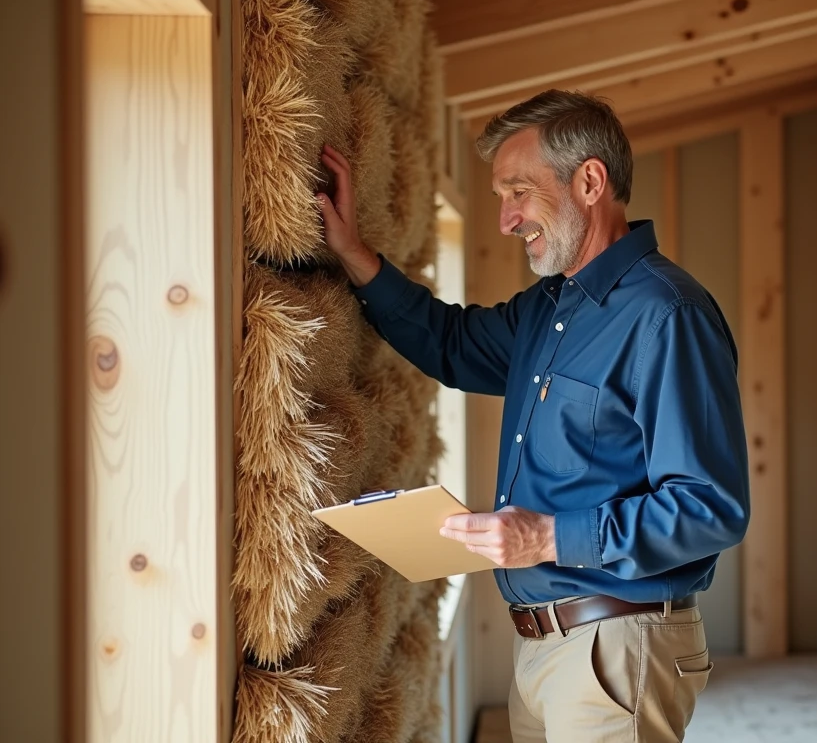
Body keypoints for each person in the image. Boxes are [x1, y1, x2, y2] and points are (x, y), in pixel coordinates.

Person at [318, 90, 750, 742]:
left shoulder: (667, 316)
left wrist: (545, 538)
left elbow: (710, 508)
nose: (505, 219)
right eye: (499, 196)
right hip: (541, 647)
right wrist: (353, 254)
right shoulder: (547, 309)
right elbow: (452, 344)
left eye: (518, 191)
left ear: (590, 181)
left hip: (614, 650)